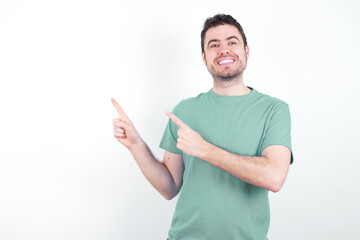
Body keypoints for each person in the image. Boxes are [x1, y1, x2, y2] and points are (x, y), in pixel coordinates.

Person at [112, 14, 293, 240]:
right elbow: (169, 188)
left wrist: (204, 149)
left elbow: (274, 177)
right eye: (214, 45)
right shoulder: (184, 111)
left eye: (232, 42)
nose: (224, 50)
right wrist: (136, 145)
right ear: (204, 57)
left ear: (246, 51)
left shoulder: (273, 110)